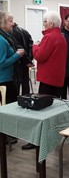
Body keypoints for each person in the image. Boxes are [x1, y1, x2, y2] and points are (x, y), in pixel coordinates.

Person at [22, 11, 67, 150]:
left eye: (45, 22)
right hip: (57, 78)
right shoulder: (61, 36)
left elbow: (40, 56)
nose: (44, 24)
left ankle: (39, 141)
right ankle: (51, 136)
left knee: (42, 110)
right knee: (52, 110)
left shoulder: (49, 37)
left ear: (51, 23)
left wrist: (35, 46)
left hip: (48, 79)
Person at [0, 11, 25, 144]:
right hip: (4, 81)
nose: (13, 23)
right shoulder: (2, 40)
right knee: (9, 109)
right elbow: (1, 63)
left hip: (5, 79)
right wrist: (17, 55)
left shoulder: (5, 37)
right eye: (10, 21)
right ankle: (8, 136)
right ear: (3, 23)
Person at [11, 22, 34, 95]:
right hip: (25, 63)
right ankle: (26, 101)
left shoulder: (11, 32)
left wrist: (27, 60)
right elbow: (31, 46)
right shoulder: (25, 31)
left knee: (16, 87)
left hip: (17, 62)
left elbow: (18, 47)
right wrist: (29, 60)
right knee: (25, 86)